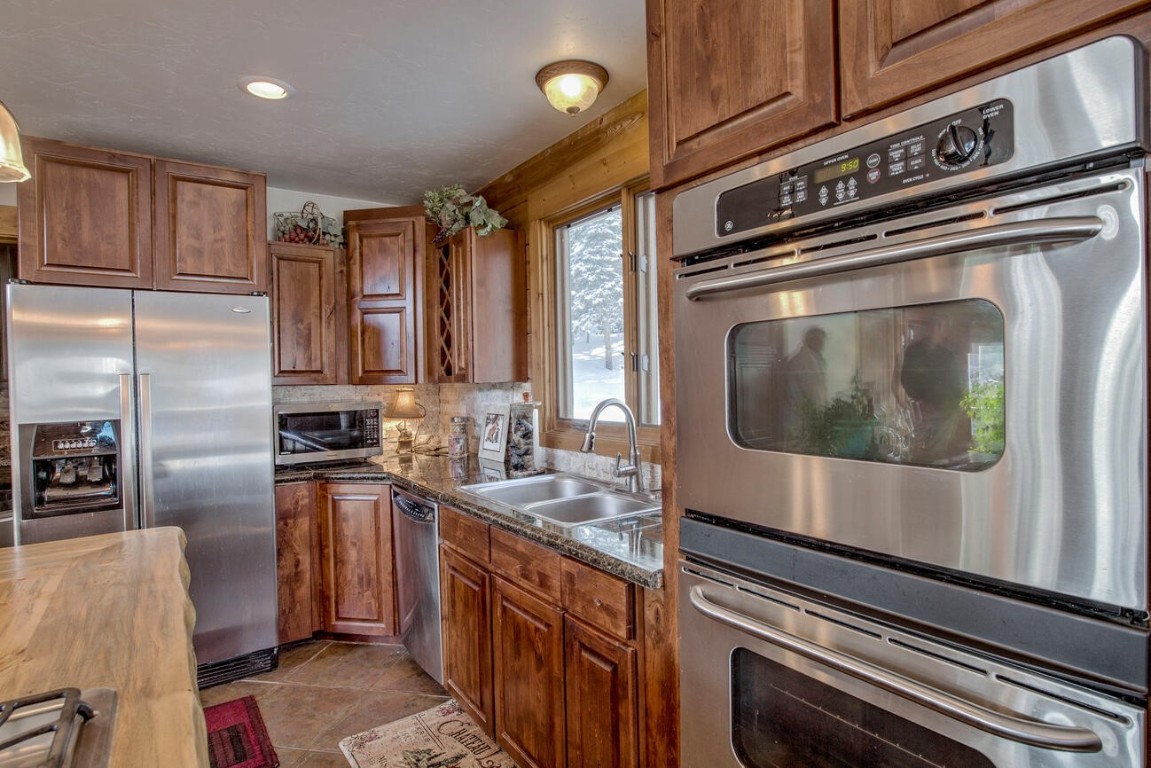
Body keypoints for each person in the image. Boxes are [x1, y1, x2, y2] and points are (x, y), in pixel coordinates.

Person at [899, 317, 966, 463]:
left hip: (945, 408)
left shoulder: (948, 355)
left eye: (938, 327)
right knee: (917, 443)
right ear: (926, 329)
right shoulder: (913, 351)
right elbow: (906, 378)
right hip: (919, 407)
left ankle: (934, 460)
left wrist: (945, 406)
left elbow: (956, 386)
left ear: (943, 331)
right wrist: (920, 401)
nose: (933, 331)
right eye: (931, 327)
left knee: (936, 450)